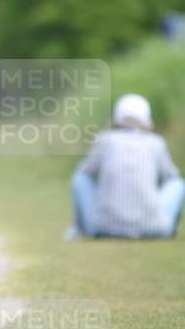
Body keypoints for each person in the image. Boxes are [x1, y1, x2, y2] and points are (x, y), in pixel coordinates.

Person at [69, 93, 185, 239]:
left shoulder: (105, 140)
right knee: (178, 183)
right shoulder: (156, 143)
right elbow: (171, 177)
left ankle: (78, 230)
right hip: (155, 228)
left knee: (80, 177)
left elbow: (85, 173)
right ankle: (170, 228)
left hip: (102, 227)